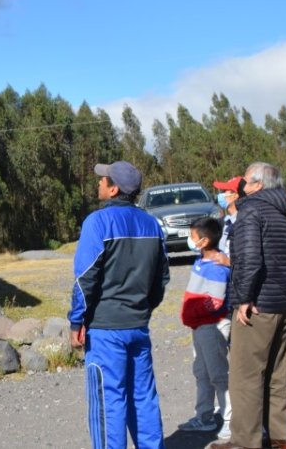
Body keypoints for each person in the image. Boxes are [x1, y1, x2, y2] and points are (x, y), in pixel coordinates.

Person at [211, 162, 286, 449]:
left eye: (244, 179)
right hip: (282, 306)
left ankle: (245, 442)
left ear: (256, 184)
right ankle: (284, 439)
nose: (241, 185)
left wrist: (244, 298)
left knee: (245, 377)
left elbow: (249, 260)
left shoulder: (250, 211)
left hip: (256, 308)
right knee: (277, 375)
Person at [69, 160, 170, 449]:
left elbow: (84, 279)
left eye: (103, 180)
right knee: (143, 397)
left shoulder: (97, 222)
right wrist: (143, 309)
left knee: (108, 401)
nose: (98, 182)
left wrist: (77, 321)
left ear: (113, 189)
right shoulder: (152, 223)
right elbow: (161, 278)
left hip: (105, 330)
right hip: (138, 326)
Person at [178, 216, 232, 441]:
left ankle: (231, 421)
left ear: (205, 240)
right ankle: (205, 415)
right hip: (199, 327)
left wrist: (194, 312)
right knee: (201, 372)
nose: (190, 241)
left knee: (219, 374)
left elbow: (216, 302)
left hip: (212, 326)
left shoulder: (218, 267)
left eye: (193, 237)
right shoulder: (200, 262)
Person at [211, 175, 243, 261]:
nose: (220, 195)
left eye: (225, 191)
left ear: (235, 195)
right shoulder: (227, 221)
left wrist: (229, 263)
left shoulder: (243, 222)